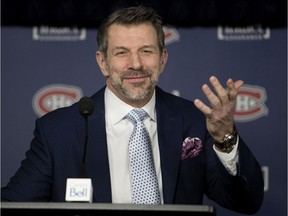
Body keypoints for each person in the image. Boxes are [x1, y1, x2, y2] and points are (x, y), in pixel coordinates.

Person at [1, 5, 264, 214]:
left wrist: (225, 137)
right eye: (121, 53)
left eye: (146, 51)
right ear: (103, 62)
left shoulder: (194, 121)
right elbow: (14, 206)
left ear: (162, 58)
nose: (135, 64)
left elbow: (246, 202)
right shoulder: (58, 131)